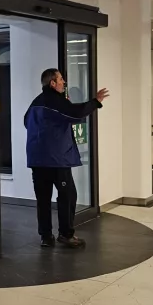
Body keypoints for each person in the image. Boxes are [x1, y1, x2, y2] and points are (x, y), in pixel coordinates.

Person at [25, 68, 108, 248]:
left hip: (37, 160)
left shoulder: (36, 102)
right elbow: (76, 113)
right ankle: (66, 234)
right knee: (68, 195)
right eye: (61, 79)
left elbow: (26, 122)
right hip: (55, 159)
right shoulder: (55, 101)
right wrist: (96, 101)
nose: (64, 82)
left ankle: (46, 237)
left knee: (43, 199)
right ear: (52, 83)